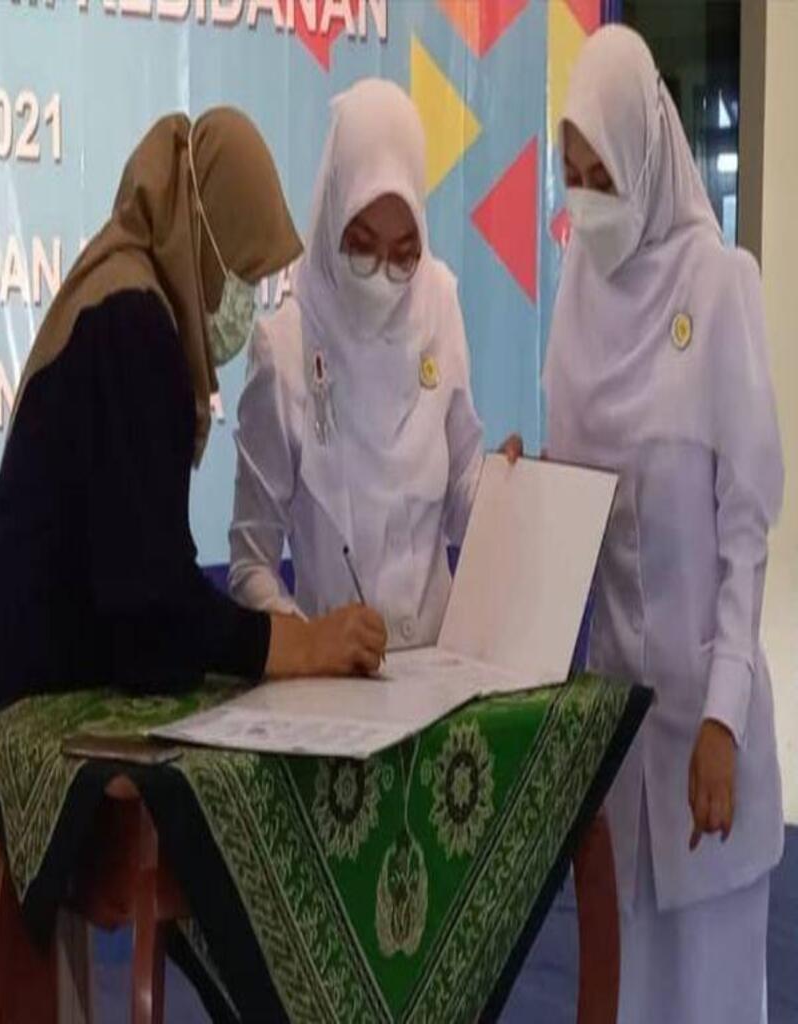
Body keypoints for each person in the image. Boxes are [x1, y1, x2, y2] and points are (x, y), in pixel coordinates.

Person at [0, 107, 387, 1023]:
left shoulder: (125, 297)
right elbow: (148, 607)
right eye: (241, 271)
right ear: (201, 231)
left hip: (10, 741)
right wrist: (292, 645)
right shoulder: (133, 324)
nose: (243, 301)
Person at [544, 26, 784, 1024]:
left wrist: (723, 718)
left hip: (707, 735)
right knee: (624, 992)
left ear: (646, 155)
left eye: (603, 174)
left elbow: (746, 526)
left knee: (711, 999)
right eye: (572, 174)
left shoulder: (719, 284)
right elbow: (573, 501)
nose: (587, 198)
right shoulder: (575, 299)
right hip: (621, 741)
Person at [229, 79, 485, 649]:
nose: (381, 277)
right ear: (332, 218)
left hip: (443, 672)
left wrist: (514, 490)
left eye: (403, 255)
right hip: (334, 682)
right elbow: (250, 566)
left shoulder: (439, 304)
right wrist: (314, 644)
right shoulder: (284, 348)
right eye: (362, 246)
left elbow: (465, 495)